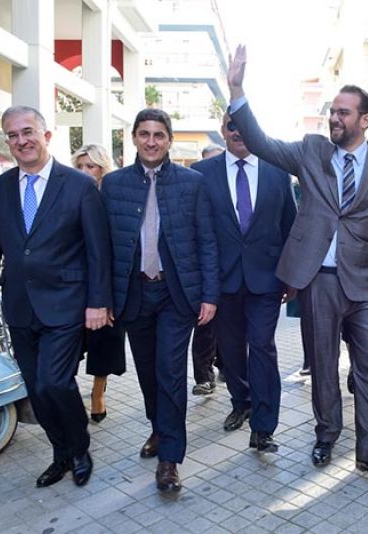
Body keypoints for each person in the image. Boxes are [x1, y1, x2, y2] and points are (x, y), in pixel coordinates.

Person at [227, 45, 368, 484]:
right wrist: (236, 89)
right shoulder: (311, 151)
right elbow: (261, 143)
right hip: (319, 281)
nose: (334, 118)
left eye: (344, 113)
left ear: (365, 120)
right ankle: (326, 434)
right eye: (332, 111)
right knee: (324, 367)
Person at [0, 105, 112, 489]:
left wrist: (98, 302)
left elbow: (99, 251)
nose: (22, 141)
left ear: (46, 136)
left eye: (28, 131)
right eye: (13, 135)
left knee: (54, 382)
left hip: (66, 304)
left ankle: (80, 449)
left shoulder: (79, 185)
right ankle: (60, 453)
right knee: (35, 389)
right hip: (19, 305)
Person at [100, 108, 219, 493]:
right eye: (144, 134)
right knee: (148, 371)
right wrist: (104, 298)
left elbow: (207, 241)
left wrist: (210, 295)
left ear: (169, 140)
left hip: (175, 294)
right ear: (134, 137)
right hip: (133, 294)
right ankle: (158, 427)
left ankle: (170, 458)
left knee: (170, 372)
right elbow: (103, 248)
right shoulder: (113, 185)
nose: (151, 141)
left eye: (159, 135)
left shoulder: (193, 183)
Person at [192, 112, 296, 450]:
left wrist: (292, 277)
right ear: (222, 130)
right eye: (231, 126)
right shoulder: (200, 173)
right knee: (231, 349)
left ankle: (263, 426)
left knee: (262, 346)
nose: (238, 132)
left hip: (266, 280)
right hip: (221, 281)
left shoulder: (277, 171)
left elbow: (290, 225)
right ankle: (242, 402)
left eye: (243, 125)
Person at [71, 144, 127, 422]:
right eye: (80, 166)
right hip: (73, 282)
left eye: (90, 166)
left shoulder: (113, 199)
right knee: (70, 343)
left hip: (107, 282)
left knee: (103, 341)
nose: (84, 172)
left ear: (102, 170)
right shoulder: (68, 195)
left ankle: (98, 391)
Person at [190, 143, 226, 396]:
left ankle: (225, 366)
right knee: (204, 325)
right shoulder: (195, 188)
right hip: (202, 271)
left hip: (231, 270)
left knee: (229, 326)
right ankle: (203, 376)